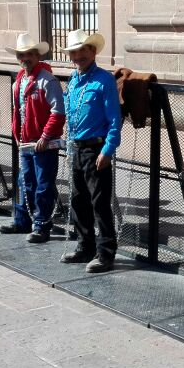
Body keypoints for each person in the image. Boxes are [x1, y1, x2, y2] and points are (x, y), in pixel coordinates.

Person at [59, 29, 121, 273]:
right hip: (76, 147)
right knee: (78, 200)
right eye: (74, 52)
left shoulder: (104, 80)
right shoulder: (73, 80)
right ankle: (85, 246)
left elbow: (114, 120)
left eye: (82, 51)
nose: (77, 56)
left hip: (96, 148)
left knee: (99, 203)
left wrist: (108, 150)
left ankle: (106, 253)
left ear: (92, 51)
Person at [0, 32, 65, 243]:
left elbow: (58, 112)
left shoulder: (48, 80)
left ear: (37, 55)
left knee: (43, 185)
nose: (24, 59)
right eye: (21, 55)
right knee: (24, 182)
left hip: (43, 144)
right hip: (26, 142)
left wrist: (45, 137)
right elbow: (17, 110)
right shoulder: (19, 80)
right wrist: (15, 132)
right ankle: (22, 220)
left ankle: (42, 225)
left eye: (28, 55)